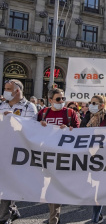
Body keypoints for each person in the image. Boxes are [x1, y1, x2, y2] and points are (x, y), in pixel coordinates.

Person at [37, 88, 80, 224]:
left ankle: (53, 219)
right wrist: (39, 125)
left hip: (62, 157)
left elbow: (79, 132)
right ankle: (54, 215)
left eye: (63, 99)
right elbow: (30, 130)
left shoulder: (70, 113)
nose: (61, 101)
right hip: (45, 156)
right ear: (50, 100)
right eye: (58, 99)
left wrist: (69, 129)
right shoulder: (43, 113)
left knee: (54, 187)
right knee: (48, 187)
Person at [0, 79, 38, 224]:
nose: (5, 91)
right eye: (5, 88)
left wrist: (13, 120)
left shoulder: (29, 107)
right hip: (1, 148)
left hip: (17, 151)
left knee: (7, 184)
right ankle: (13, 210)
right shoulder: (1, 105)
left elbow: (30, 128)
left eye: (8, 88)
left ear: (17, 91)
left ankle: (4, 217)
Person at [80, 95, 106, 224]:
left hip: (103, 158)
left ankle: (95, 216)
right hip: (88, 157)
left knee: (99, 189)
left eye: (94, 103)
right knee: (90, 187)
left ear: (102, 105)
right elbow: (79, 133)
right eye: (90, 102)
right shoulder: (86, 118)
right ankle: (98, 212)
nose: (91, 104)